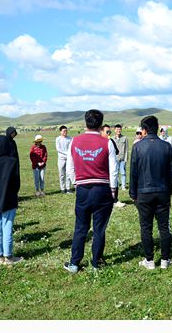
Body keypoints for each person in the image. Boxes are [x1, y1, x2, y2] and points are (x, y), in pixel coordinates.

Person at [64, 109, 117, 273]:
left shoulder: (74, 141)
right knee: (99, 228)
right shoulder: (107, 142)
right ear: (101, 125)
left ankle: (74, 263)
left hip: (83, 189)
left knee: (81, 227)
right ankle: (96, 262)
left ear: (85, 123)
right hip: (102, 189)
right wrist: (113, 190)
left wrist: (76, 182)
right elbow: (113, 170)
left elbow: (69, 168)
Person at [131, 115, 172, 269]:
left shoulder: (137, 147)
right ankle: (165, 260)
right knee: (163, 227)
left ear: (144, 130)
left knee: (146, 227)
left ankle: (149, 260)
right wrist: (169, 191)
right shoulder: (166, 146)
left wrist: (133, 194)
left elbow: (133, 173)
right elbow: (171, 173)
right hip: (162, 191)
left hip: (143, 192)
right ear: (156, 128)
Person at [0, 127, 23, 265]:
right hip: (8, 197)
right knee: (7, 226)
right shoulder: (12, 162)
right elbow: (16, 182)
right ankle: (8, 256)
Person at [54, 125, 73, 193]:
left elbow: (71, 147)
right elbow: (58, 149)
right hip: (61, 158)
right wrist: (66, 153)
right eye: (64, 131)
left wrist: (69, 154)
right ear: (60, 132)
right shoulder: (58, 139)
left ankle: (68, 188)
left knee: (68, 173)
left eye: (66, 130)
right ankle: (62, 188)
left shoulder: (70, 138)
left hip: (69, 158)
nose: (65, 132)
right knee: (61, 174)